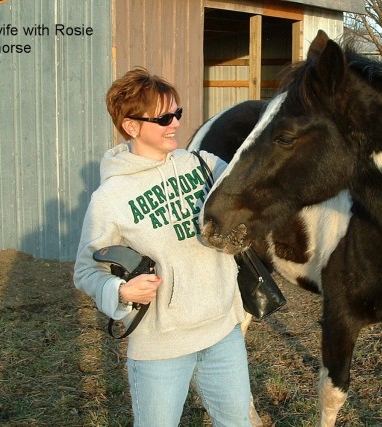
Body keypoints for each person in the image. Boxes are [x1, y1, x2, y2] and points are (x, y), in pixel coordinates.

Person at [74, 67, 261, 426]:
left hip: (223, 334)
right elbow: (85, 271)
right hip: (161, 348)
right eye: (163, 117)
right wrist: (120, 289)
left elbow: (257, 189)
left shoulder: (205, 166)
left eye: (177, 113)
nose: (174, 123)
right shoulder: (111, 197)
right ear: (131, 125)